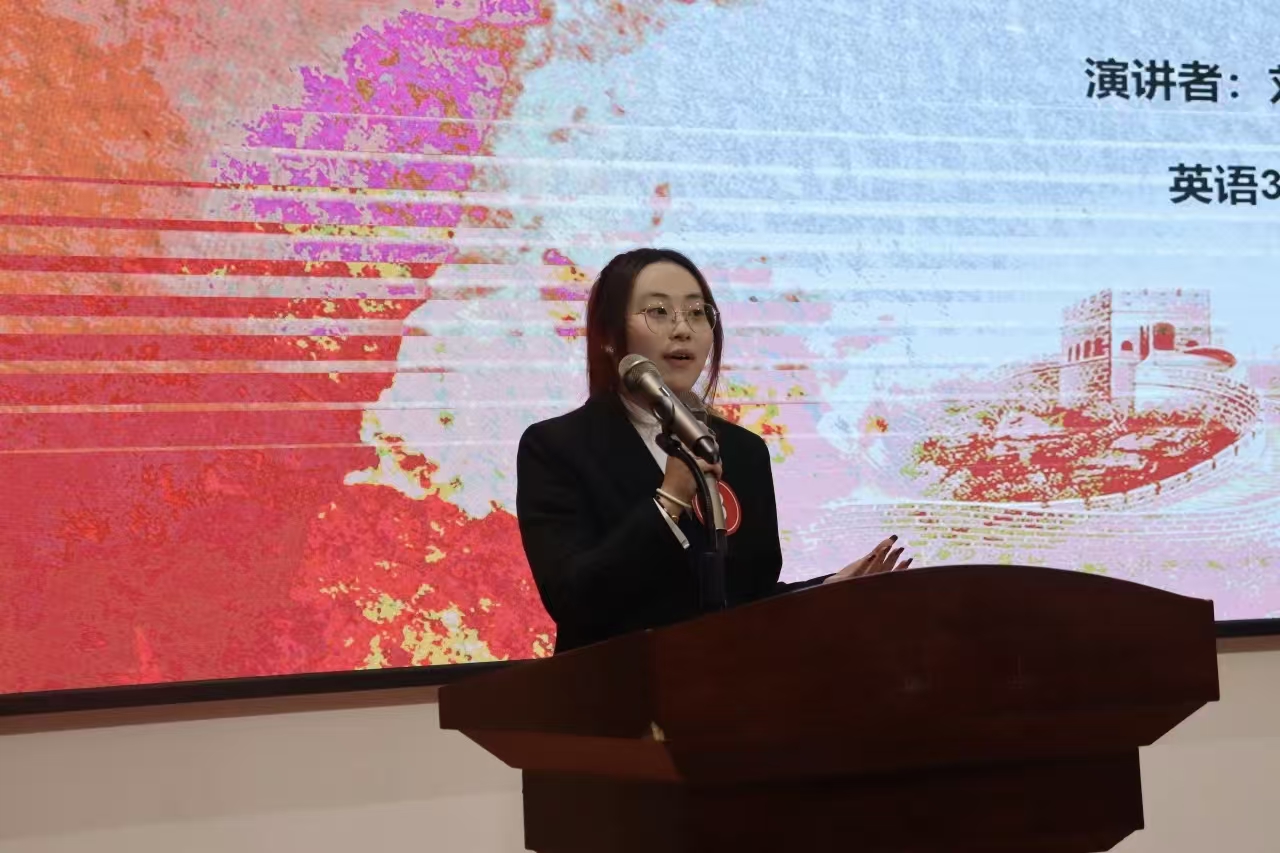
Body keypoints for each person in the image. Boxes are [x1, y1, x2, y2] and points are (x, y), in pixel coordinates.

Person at [516, 248, 911, 653]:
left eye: (697, 312)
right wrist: (668, 502)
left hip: (728, 685)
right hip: (613, 686)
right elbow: (573, 599)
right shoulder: (557, 447)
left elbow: (748, 600)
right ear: (607, 336)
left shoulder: (742, 451)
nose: (682, 329)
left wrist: (828, 590)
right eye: (658, 311)